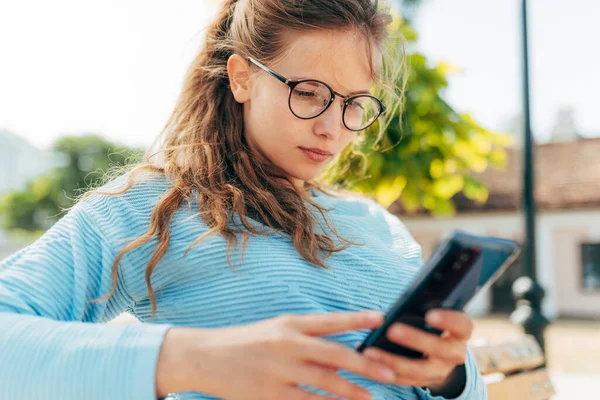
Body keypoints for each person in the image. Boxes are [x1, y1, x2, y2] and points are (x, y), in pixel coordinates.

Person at [0, 0, 487, 399]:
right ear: (242, 78)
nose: (332, 127)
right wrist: (189, 360)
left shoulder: (379, 226)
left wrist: (450, 376)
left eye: (355, 104)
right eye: (310, 92)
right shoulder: (154, 206)